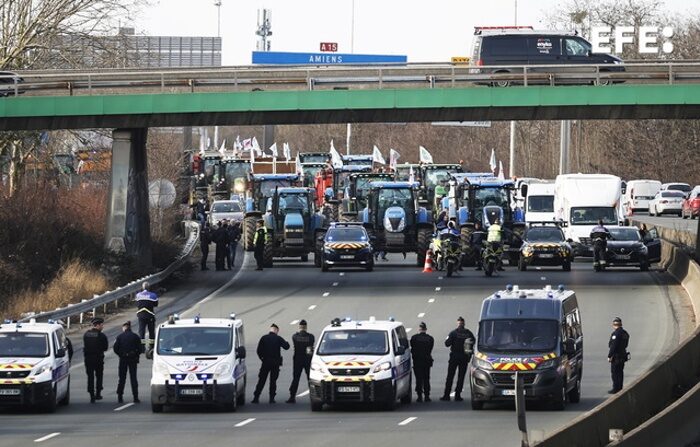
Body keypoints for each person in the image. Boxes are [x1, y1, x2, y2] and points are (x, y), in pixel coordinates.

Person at [252, 324, 290, 404]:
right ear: (276, 330)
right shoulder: (278, 338)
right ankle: (271, 398)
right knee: (273, 381)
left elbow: (259, 350)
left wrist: (262, 358)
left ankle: (256, 397)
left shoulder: (264, 338)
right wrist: (287, 342)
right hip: (275, 363)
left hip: (265, 362)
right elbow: (286, 347)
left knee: (261, 380)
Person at [440, 316, 475, 402]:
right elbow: (473, 342)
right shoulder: (468, 333)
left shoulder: (453, 333)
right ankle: (458, 395)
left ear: (458, 323)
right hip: (464, 358)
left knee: (450, 376)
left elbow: (447, 344)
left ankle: (446, 395)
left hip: (454, 357)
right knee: (461, 377)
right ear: (464, 323)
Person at [286, 320, 315, 403]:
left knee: (296, 378)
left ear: (299, 327)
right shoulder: (311, 337)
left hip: (297, 359)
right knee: (310, 379)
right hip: (307, 359)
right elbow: (310, 348)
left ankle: (292, 396)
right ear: (306, 327)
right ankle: (313, 397)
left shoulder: (295, 336)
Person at [113, 321, 142, 404]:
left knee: (122, 378)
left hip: (123, 359)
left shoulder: (119, 337)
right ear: (130, 327)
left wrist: (121, 354)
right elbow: (140, 349)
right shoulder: (135, 336)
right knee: (133, 378)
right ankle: (135, 397)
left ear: (124, 328)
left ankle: (120, 396)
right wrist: (135, 354)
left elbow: (115, 348)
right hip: (133, 359)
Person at [83, 317, 108, 403]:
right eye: (101, 325)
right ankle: (98, 393)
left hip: (88, 358)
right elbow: (105, 348)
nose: (103, 326)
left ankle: (91, 394)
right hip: (98, 358)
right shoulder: (101, 335)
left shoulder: (86, 334)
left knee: (90, 377)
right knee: (99, 376)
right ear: (97, 325)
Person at [410, 322, 434, 402]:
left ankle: (419, 396)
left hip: (417, 361)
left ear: (419, 329)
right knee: (426, 378)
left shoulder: (414, 338)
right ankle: (427, 396)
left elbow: (412, 349)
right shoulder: (430, 338)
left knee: (418, 379)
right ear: (426, 329)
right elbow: (430, 349)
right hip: (426, 361)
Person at [608, 317, 630, 394]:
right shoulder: (625, 333)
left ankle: (615, 388)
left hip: (616, 356)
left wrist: (609, 355)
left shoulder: (616, 334)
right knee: (620, 372)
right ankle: (620, 387)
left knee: (615, 373)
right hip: (623, 355)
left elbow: (613, 346)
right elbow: (625, 344)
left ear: (614, 325)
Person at [135, 282, 158, 353]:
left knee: (141, 332)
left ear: (142, 288)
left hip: (141, 316)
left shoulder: (138, 295)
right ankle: (152, 346)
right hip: (150, 315)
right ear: (149, 287)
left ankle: (142, 347)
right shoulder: (153, 295)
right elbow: (156, 304)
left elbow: (136, 304)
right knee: (151, 332)